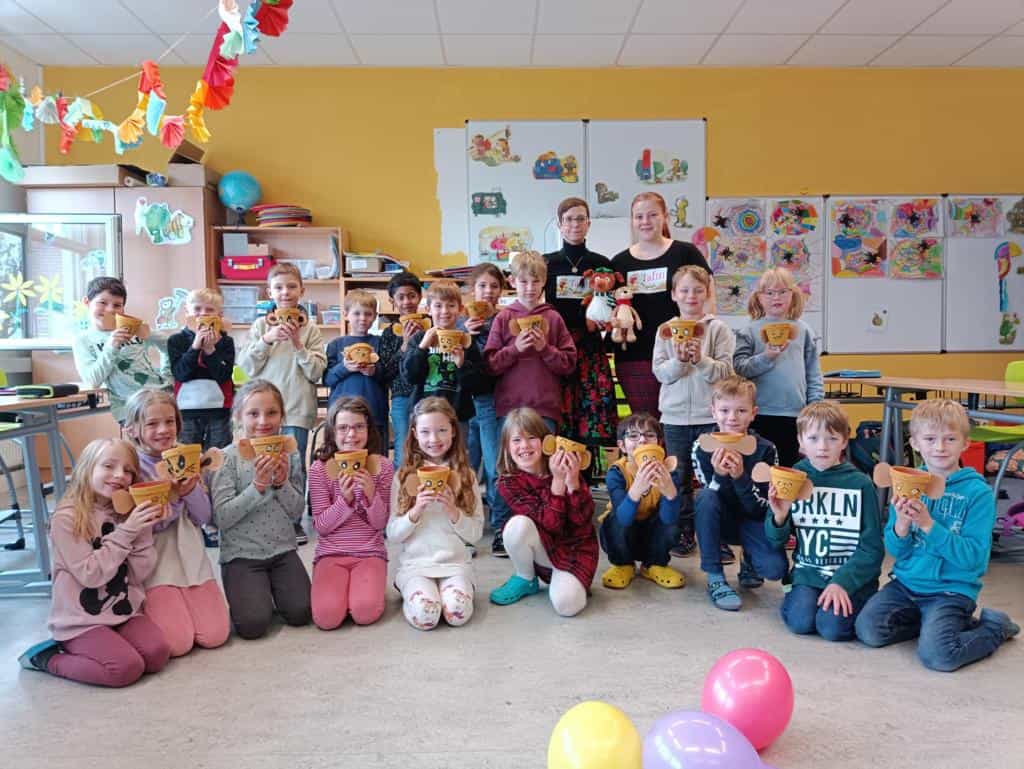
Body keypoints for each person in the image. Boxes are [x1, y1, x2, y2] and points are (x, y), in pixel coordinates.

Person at [856, 399, 1020, 671]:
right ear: (915, 443)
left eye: (950, 439)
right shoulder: (907, 482)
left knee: (939, 657)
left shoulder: (977, 494)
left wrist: (929, 525)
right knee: (868, 630)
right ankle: (933, 625)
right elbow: (896, 551)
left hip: (951, 591)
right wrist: (902, 525)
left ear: (965, 443)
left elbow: (974, 560)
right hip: (907, 585)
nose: (940, 447)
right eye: (930, 439)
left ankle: (994, 627)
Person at [18, 439, 170, 686]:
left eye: (128, 471)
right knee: (124, 669)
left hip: (122, 611)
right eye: (108, 466)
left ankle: (110, 641)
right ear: (86, 469)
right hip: (80, 621)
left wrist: (142, 528)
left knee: (157, 654)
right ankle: (46, 658)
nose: (119, 475)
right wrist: (127, 532)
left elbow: (138, 574)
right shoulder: (66, 518)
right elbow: (91, 575)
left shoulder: (125, 512)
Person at [123, 389, 229, 657]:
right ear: (133, 429)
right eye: (152, 423)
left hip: (191, 557)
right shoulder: (130, 468)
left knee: (215, 635)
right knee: (178, 643)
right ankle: (141, 611)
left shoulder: (187, 456)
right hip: (155, 564)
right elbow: (151, 526)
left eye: (169, 421)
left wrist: (190, 490)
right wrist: (176, 498)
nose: (163, 430)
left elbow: (203, 517)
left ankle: (181, 603)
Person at [766, 401, 883, 641]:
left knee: (832, 628)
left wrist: (842, 582)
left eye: (831, 438)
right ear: (800, 441)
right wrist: (780, 515)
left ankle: (863, 601)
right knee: (801, 622)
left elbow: (872, 548)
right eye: (813, 438)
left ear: (844, 440)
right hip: (809, 573)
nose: (822, 447)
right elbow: (774, 540)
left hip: (851, 577)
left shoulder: (860, 484)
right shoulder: (793, 477)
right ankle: (800, 597)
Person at [484, 250, 576, 555]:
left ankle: (545, 526)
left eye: (535, 281)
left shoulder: (553, 318)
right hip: (509, 407)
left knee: (545, 467)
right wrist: (516, 349)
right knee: (507, 468)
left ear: (543, 282)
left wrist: (545, 348)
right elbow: (490, 365)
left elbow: (569, 364)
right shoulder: (503, 318)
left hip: (545, 407)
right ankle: (502, 528)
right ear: (512, 282)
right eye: (523, 281)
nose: (529, 287)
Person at [210, 380, 311, 639]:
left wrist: (281, 483)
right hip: (241, 555)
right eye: (253, 414)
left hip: (282, 550)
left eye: (272, 413)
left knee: (302, 612)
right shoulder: (226, 458)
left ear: (282, 416)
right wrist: (258, 486)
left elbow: (296, 511)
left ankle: (271, 588)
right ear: (238, 417)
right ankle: (254, 590)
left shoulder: (290, 453)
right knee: (252, 625)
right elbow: (222, 518)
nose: (263, 421)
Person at [237, 263, 327, 545]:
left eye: (291, 286)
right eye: (278, 287)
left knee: (294, 465)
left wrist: (298, 344)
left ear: (302, 290)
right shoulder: (260, 327)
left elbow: (316, 371)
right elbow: (247, 367)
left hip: (297, 409)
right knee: (261, 462)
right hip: (263, 413)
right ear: (269, 292)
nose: (285, 292)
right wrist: (267, 340)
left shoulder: (311, 329)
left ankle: (293, 520)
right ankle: (262, 516)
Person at [654, 264, 735, 556]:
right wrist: (679, 361)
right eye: (685, 290)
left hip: (709, 417)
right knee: (679, 478)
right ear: (674, 294)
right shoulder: (665, 330)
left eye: (698, 290)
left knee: (715, 477)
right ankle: (684, 532)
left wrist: (700, 359)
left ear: (707, 294)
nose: (691, 296)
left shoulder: (719, 329)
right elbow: (660, 373)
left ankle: (717, 537)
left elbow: (726, 372)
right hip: (674, 418)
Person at [611, 192, 712, 417]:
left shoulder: (686, 252)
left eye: (652, 215)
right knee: (646, 423)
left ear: (665, 217)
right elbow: (614, 308)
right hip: (635, 357)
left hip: (680, 353)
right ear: (632, 220)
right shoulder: (619, 262)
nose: (645, 222)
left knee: (682, 422)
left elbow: (708, 298)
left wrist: (704, 340)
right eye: (639, 216)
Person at [489, 408, 597, 616]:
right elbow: (551, 524)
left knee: (567, 606)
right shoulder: (509, 482)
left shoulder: (565, 466)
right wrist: (558, 482)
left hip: (575, 548)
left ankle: (567, 580)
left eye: (531, 438)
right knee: (516, 526)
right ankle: (526, 577)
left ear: (547, 442)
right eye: (516, 440)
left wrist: (572, 482)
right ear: (507, 447)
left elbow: (583, 520)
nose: (524, 446)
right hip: (544, 546)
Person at [387, 397, 483, 630]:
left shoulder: (466, 475)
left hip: (455, 565)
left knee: (457, 612)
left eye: (442, 430)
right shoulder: (403, 476)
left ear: (453, 431)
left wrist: (453, 511)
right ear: (414, 434)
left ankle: (448, 592)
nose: (434, 439)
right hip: (416, 566)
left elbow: (476, 534)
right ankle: (412, 590)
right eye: (425, 432)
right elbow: (393, 534)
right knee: (426, 616)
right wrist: (416, 510)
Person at [692, 376, 788, 611]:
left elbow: (762, 507)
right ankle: (715, 576)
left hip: (752, 519)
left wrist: (740, 477)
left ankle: (750, 560)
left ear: (753, 413)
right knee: (704, 497)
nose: (732, 418)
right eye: (724, 410)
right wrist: (719, 475)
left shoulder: (766, 449)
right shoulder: (702, 447)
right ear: (713, 412)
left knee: (775, 568)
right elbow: (709, 499)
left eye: (741, 410)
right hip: (721, 519)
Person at [308, 396, 394, 631]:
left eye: (358, 427)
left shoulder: (383, 466)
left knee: (365, 612)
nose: (351, 435)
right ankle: (346, 593)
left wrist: (371, 495)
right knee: (326, 618)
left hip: (369, 552)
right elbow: (321, 526)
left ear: (369, 430)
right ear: (332, 432)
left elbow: (380, 524)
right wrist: (344, 501)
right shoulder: (320, 469)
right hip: (330, 554)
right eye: (343, 428)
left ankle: (362, 590)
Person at [543, 197, 618, 449]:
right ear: (559, 224)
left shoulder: (602, 263)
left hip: (590, 347)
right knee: (559, 413)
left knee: (592, 412)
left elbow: (611, 304)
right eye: (569, 219)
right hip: (556, 349)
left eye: (580, 219)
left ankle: (588, 471)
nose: (575, 224)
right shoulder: (546, 263)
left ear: (588, 224)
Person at [733, 267, 823, 467]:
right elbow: (739, 368)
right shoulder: (749, 331)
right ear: (759, 297)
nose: (776, 297)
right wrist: (767, 357)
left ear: (793, 295)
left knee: (788, 468)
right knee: (759, 468)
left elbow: (813, 372)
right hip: (758, 413)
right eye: (770, 293)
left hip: (794, 413)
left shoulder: (803, 330)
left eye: (783, 291)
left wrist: (814, 406)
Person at [599, 413, 683, 590]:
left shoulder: (668, 471)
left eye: (650, 435)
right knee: (614, 518)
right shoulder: (616, 472)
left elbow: (670, 521)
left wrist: (669, 493)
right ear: (622, 445)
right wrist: (636, 489)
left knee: (676, 515)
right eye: (633, 435)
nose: (643, 440)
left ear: (659, 443)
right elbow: (623, 519)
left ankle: (654, 564)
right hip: (622, 535)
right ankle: (623, 564)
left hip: (652, 537)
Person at [72, 276, 171, 425]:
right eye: (102, 303)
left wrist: (168, 374)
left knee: (170, 439)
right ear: (87, 302)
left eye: (117, 305)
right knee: (145, 440)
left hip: (161, 397)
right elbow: (93, 381)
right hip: (129, 408)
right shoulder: (83, 340)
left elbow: (170, 345)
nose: (110, 309)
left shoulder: (134, 328)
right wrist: (111, 346)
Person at [460, 262, 504, 553]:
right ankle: (463, 528)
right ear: (472, 289)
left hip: (490, 399)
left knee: (494, 464)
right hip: (463, 403)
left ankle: (500, 526)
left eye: (494, 286)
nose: (488, 291)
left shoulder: (504, 320)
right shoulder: (459, 320)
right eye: (482, 286)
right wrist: (465, 334)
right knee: (465, 466)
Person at [403, 279, 483, 423]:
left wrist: (462, 365)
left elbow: (477, 385)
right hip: (422, 414)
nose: (445, 311)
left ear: (460, 309)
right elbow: (410, 377)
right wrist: (422, 348)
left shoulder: (466, 341)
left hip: (457, 415)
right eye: (438, 306)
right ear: (428, 309)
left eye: (451, 305)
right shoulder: (419, 339)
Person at [167, 287, 235, 450]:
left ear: (219, 315)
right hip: (186, 411)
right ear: (187, 312)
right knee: (187, 455)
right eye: (197, 308)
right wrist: (195, 347)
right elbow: (180, 373)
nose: (203, 314)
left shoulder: (226, 342)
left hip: (219, 410)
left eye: (209, 310)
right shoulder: (176, 340)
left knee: (219, 455)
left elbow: (224, 375)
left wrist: (210, 350)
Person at [324, 289, 388, 436]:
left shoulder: (381, 343)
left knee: (376, 449)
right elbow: (327, 379)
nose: (362, 318)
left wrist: (374, 371)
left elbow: (388, 375)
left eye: (368, 314)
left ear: (375, 317)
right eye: (357, 313)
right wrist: (344, 367)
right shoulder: (336, 345)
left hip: (374, 411)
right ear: (346, 314)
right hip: (341, 413)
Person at [378, 271, 423, 464]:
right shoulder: (389, 333)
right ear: (392, 301)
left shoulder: (430, 327)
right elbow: (385, 371)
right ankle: (400, 483)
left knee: (427, 447)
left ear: (420, 297)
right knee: (403, 447)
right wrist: (405, 345)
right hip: (401, 397)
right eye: (401, 297)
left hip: (427, 393)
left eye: (412, 296)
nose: (407, 302)